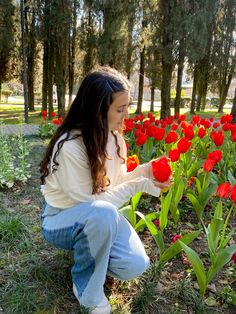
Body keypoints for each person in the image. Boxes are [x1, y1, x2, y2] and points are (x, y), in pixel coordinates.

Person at [40, 66, 171, 314]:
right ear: (97, 110)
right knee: (102, 214)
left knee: (135, 265)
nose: (126, 116)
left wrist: (146, 172)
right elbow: (94, 204)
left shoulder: (113, 137)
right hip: (60, 219)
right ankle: (87, 289)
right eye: (120, 109)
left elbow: (115, 182)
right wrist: (140, 184)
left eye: (127, 107)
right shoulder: (70, 146)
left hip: (96, 217)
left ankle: (88, 253)